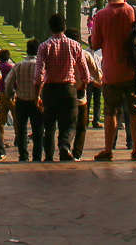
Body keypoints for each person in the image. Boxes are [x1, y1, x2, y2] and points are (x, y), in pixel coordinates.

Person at [90, 0, 136, 161]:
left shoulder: (101, 15)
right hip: (133, 70)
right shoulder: (135, 12)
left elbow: (95, 44)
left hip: (112, 71)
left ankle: (108, 150)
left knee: (111, 112)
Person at [35, 13, 90, 161]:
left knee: (49, 127)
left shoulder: (44, 46)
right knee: (70, 124)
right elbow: (85, 72)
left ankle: (48, 157)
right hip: (68, 89)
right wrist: (82, 86)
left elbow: (39, 74)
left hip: (50, 89)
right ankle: (65, 145)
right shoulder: (75, 45)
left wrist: (36, 96)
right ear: (64, 27)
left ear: (50, 28)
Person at [66, 28, 101, 160]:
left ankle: (65, 146)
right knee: (81, 125)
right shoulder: (84, 54)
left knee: (65, 124)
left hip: (63, 93)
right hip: (80, 95)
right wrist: (98, 80)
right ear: (79, 40)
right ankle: (77, 153)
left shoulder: (59, 52)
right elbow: (95, 71)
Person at [5, 39, 43, 161]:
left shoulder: (19, 65)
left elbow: (7, 82)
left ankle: (23, 155)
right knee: (38, 131)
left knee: (21, 131)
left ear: (27, 51)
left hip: (21, 100)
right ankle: (37, 156)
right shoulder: (41, 66)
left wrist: (11, 94)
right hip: (36, 101)